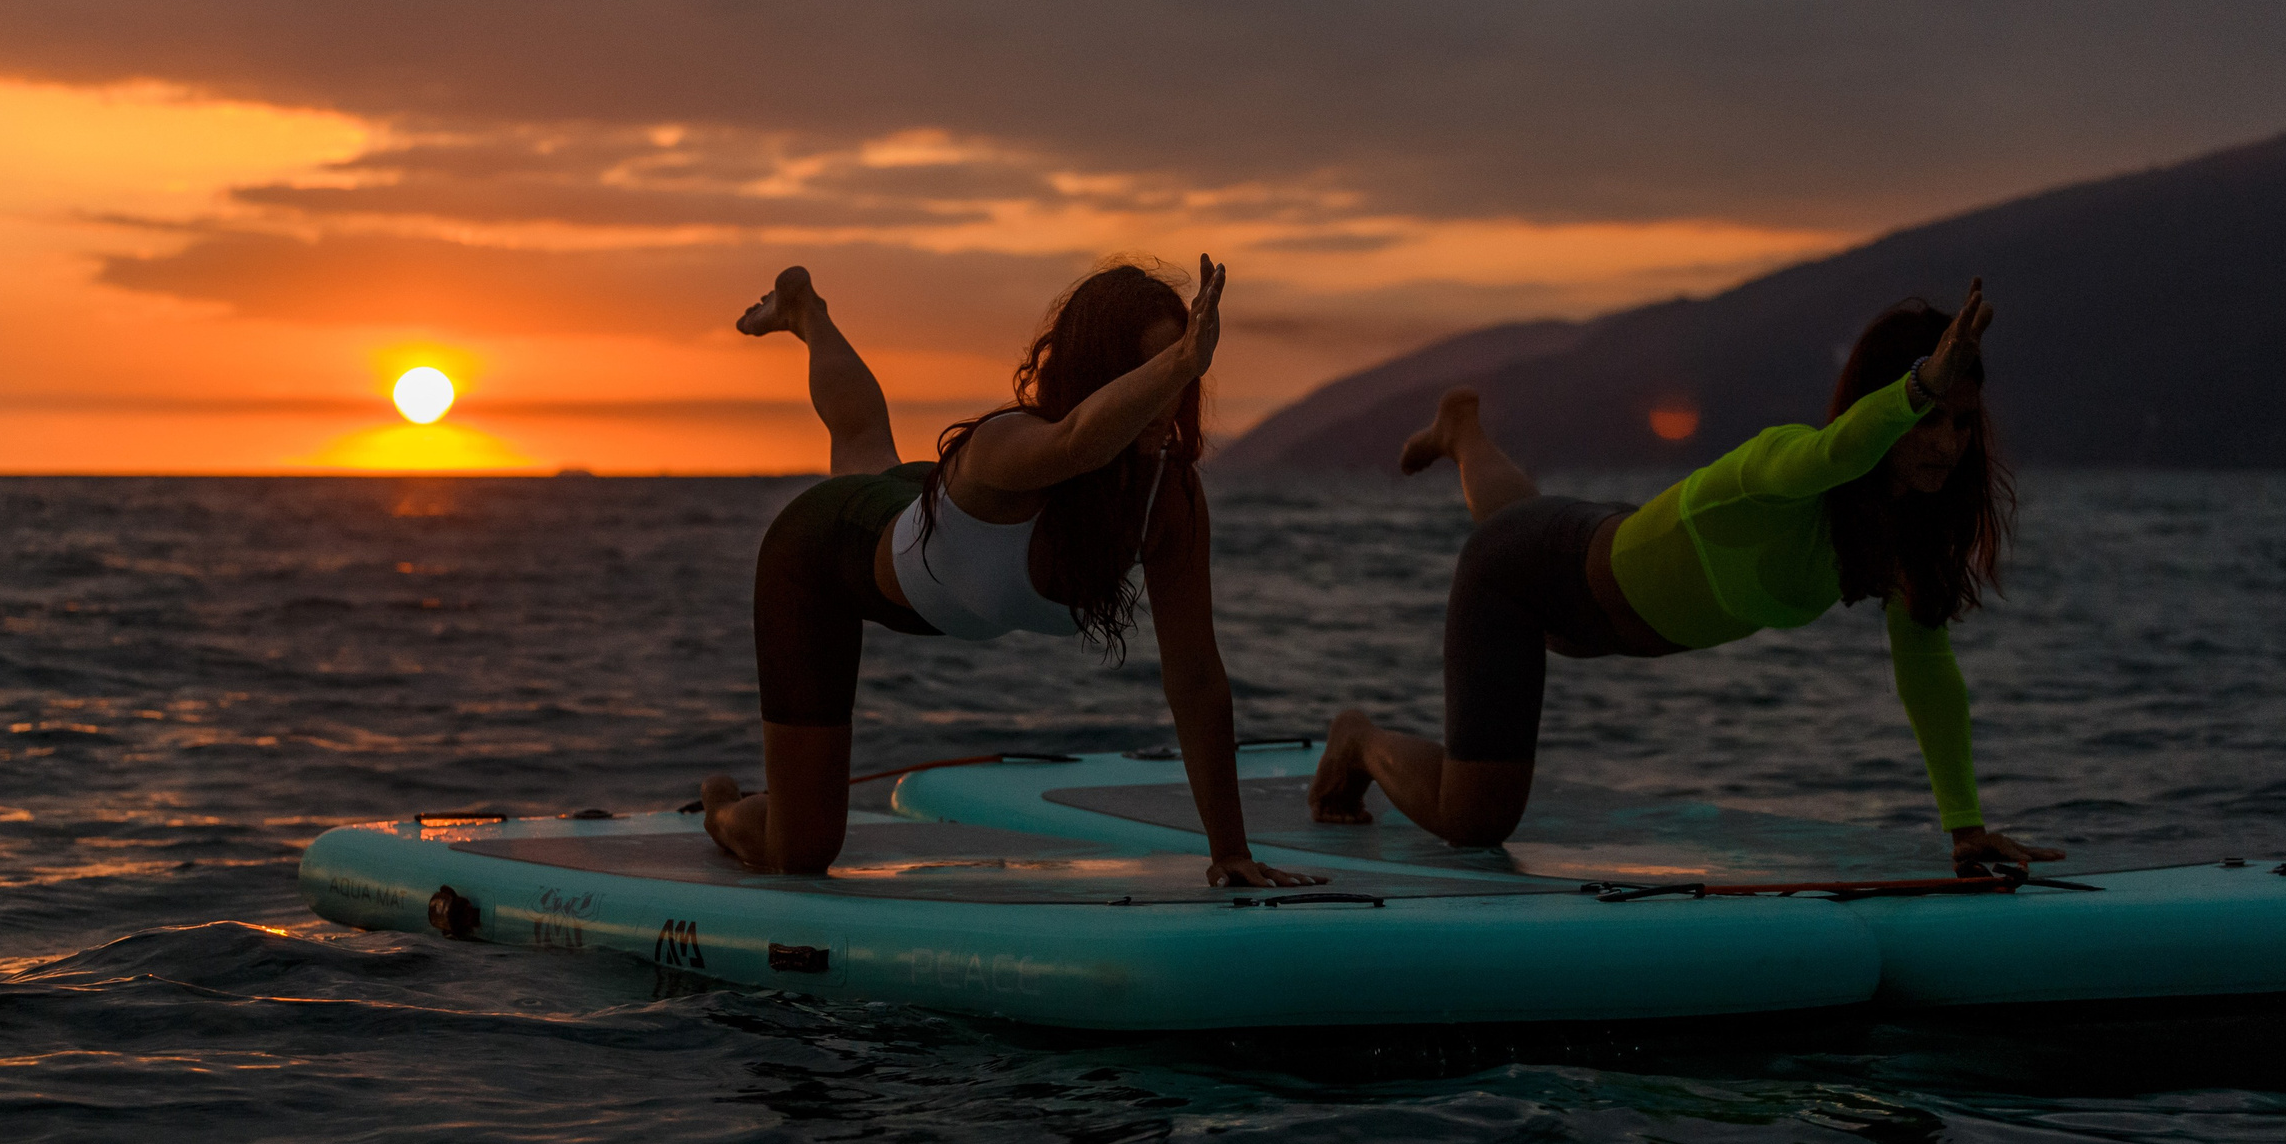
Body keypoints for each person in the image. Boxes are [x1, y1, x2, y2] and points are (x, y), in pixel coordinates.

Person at [1309, 280, 2064, 871]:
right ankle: (1357, 738)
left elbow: (1926, 667)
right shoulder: (1787, 460)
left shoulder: (1898, 535)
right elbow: (1837, 453)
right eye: (1930, 417)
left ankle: (1463, 429)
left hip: (1586, 555)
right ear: (1884, 402)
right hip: (1521, 583)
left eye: (1961, 422)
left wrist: (1965, 827)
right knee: (1476, 822)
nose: (1947, 442)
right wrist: (1918, 387)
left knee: (1524, 518)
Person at [699, 256, 1319, 887]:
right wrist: (1184, 361)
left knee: (864, 443)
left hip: (933, 527)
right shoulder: (1008, 445)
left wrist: (1230, 851)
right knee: (801, 852)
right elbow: (1080, 440)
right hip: (826, 555)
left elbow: (1195, 677)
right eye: (1150, 371)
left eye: (1180, 369)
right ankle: (722, 809)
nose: (1168, 395)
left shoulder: (1168, 497)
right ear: (1097, 376)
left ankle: (806, 311)